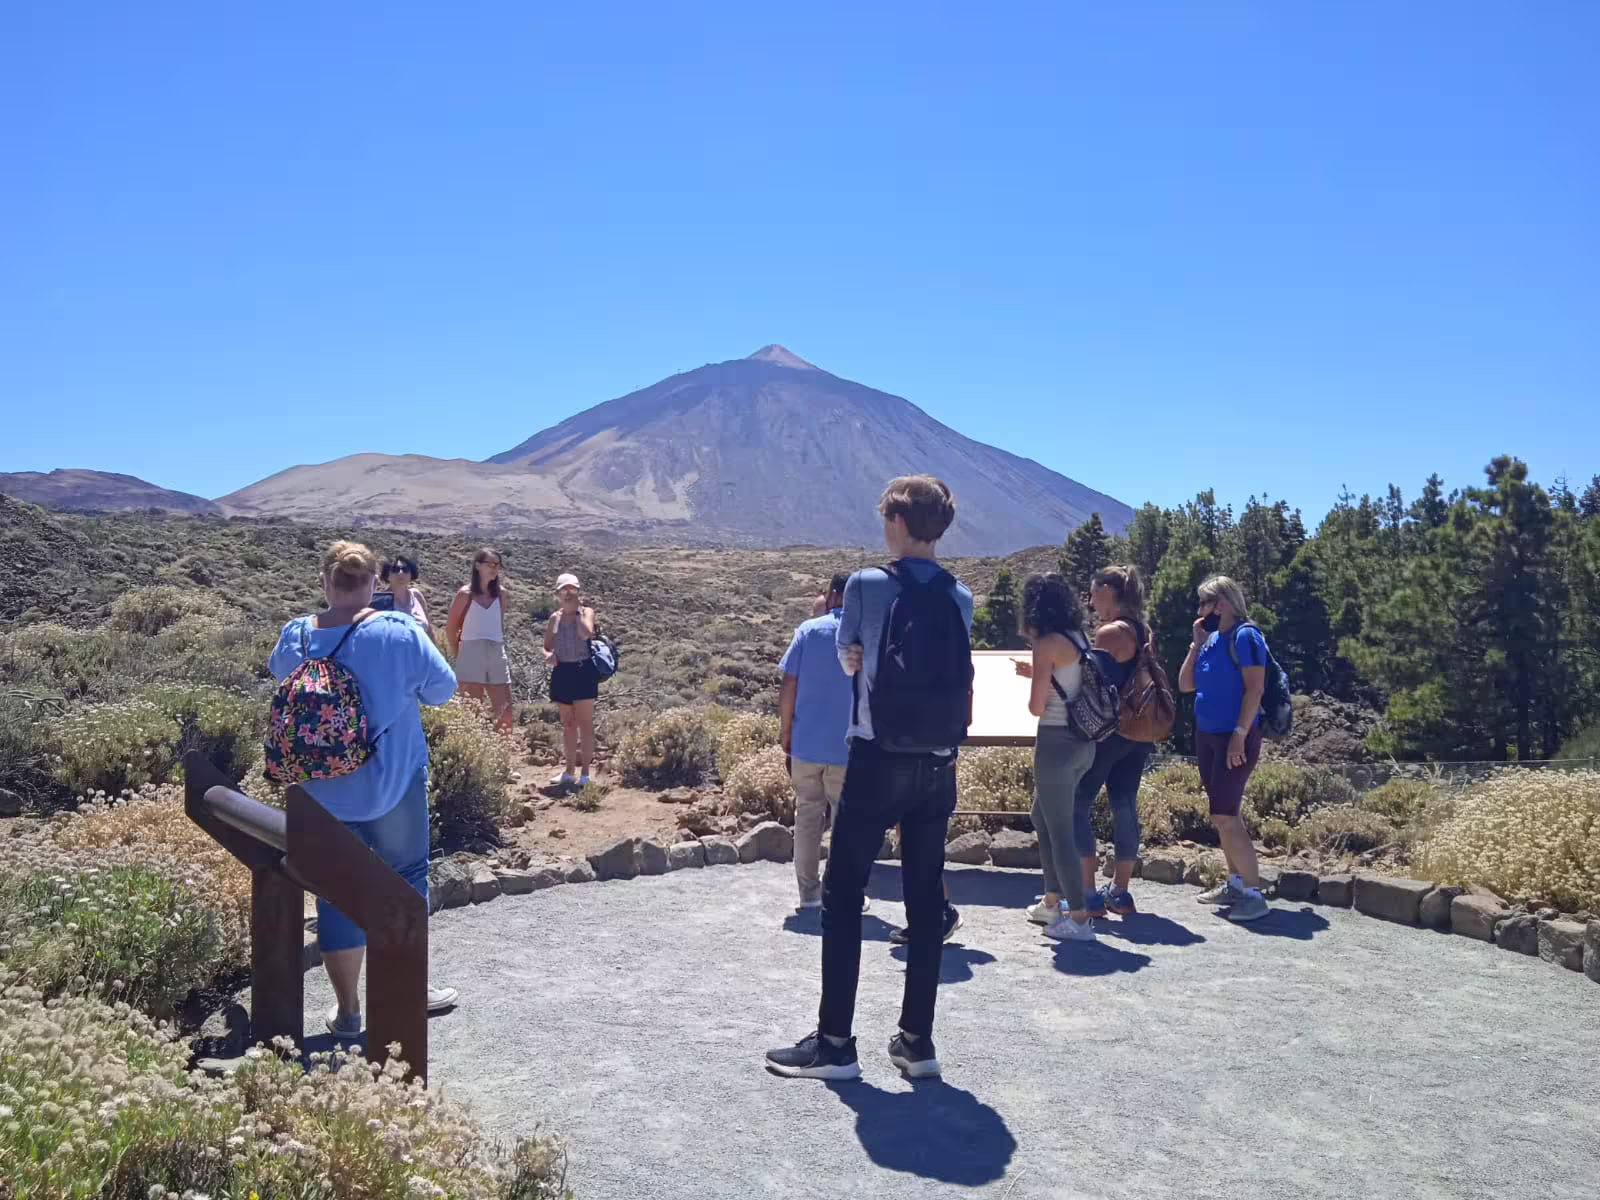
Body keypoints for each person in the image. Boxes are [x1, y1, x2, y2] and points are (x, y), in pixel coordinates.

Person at [767, 475, 973, 1082]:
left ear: (897, 524)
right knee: (925, 898)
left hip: (877, 756)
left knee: (844, 894)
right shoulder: (961, 596)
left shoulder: (864, 584)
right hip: (939, 766)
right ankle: (917, 1042)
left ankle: (835, 1045)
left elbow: (847, 654)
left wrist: (859, 657)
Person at [268, 540, 460, 1037]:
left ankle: (349, 1011)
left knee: (337, 891)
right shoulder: (397, 631)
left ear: (325, 583)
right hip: (395, 784)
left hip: (322, 793)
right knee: (406, 876)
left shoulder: (297, 637)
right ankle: (406, 989)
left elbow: (279, 676)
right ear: (374, 583)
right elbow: (443, 690)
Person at [1178, 575, 1271, 922]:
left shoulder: (1247, 636)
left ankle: (1253, 895)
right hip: (1208, 735)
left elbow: (1255, 689)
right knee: (1222, 813)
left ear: (1223, 604)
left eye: (1205, 604)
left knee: (1225, 815)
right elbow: (1186, 685)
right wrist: (1195, 644)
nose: (1200, 611)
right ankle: (1236, 884)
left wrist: (1239, 734)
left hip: (1236, 736)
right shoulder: (1212, 640)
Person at [1012, 573, 1099, 942]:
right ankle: (1051, 900)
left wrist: (1036, 679)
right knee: (1041, 816)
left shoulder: (1045, 642)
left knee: (1060, 830)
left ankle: (1078, 918)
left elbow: (1036, 707)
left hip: (1055, 742)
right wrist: (1041, 674)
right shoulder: (1077, 637)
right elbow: (1068, 679)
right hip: (1083, 743)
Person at [1072, 565, 1154, 918]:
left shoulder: (1110, 633)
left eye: (1094, 592)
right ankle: (1120, 893)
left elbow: (1087, 682)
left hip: (1109, 734)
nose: (1091, 601)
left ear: (1108, 589)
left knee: (1077, 802)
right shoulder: (1144, 630)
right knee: (1124, 804)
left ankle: (1087, 894)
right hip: (1139, 732)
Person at [780, 573, 855, 911]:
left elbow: (789, 684)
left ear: (831, 595)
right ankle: (838, 893)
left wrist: (786, 732)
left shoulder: (809, 631)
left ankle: (808, 894)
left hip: (806, 743)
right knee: (846, 822)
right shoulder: (863, 634)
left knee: (807, 817)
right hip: (849, 747)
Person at [446, 548, 513, 734]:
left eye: (498, 565)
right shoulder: (464, 595)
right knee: (472, 710)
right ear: (477, 566)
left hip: (496, 652)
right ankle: (474, 758)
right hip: (470, 651)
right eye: (490, 564)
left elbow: (499, 623)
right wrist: (458, 651)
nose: (494, 568)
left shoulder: (501, 594)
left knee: (505, 709)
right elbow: (451, 628)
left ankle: (504, 754)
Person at [544, 572, 599, 787]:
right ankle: (568, 771)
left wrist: (576, 614)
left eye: (572, 590)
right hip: (562, 672)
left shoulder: (586, 613)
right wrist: (548, 656)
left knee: (585, 723)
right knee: (567, 723)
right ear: (557, 593)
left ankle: (585, 773)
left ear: (578, 591)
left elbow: (586, 633)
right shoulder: (554, 619)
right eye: (563, 590)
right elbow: (547, 645)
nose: (568, 594)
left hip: (582, 670)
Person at [380, 555, 432, 636]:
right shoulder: (381, 600)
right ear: (387, 575)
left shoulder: (416, 595)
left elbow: (429, 632)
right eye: (395, 569)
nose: (401, 573)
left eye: (405, 570)